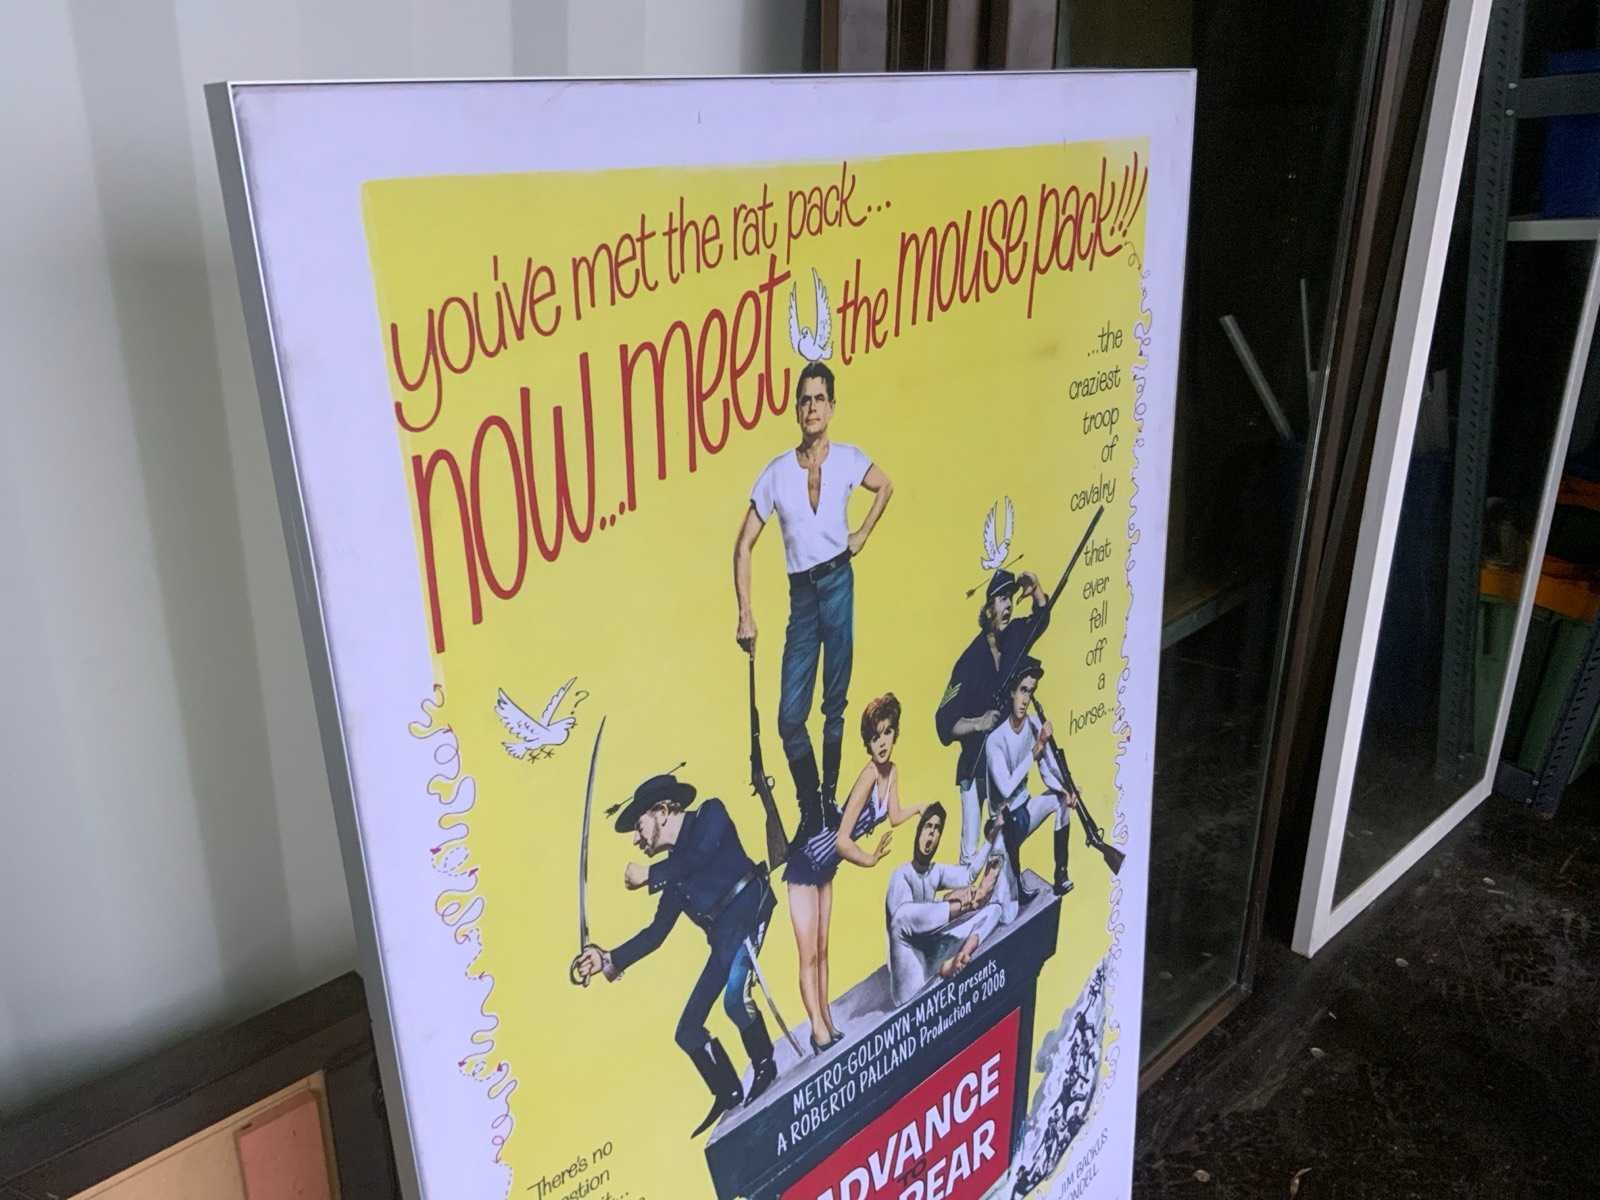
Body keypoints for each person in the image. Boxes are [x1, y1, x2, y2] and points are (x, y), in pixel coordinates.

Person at [733, 362, 894, 845]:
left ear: (832, 406)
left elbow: (885, 485)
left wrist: (862, 534)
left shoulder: (848, 459)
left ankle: (828, 802)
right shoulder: (776, 473)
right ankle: (809, 806)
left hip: (839, 582)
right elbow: (743, 546)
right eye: (804, 399)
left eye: (819, 398)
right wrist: (745, 613)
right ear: (796, 408)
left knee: (834, 705)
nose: (811, 408)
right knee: (789, 717)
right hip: (802, 596)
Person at [572, 772, 779, 1137]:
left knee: (734, 998)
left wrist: (650, 874)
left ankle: (765, 1065)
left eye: (639, 827)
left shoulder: (710, 815)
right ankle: (728, 1091)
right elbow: (655, 934)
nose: (636, 839)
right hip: (723, 943)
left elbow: (699, 856)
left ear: (663, 812)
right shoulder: (675, 876)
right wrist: (608, 958)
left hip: (750, 912)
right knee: (687, 1030)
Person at [784, 693, 921, 1052]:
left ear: (895, 733)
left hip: (826, 867)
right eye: (875, 737)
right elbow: (843, 841)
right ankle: (818, 1030)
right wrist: (870, 858)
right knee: (808, 955)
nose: (882, 742)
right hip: (807, 862)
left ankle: (827, 1022)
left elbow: (893, 815)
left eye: (887, 733)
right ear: (868, 742)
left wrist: (919, 808)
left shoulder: (891, 773)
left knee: (823, 951)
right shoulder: (868, 776)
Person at [934, 567, 1052, 866]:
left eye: (1011, 598)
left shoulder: (1014, 637)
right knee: (971, 851)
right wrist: (979, 722)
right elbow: (943, 723)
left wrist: (1036, 589)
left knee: (1003, 842)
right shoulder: (968, 662)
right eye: (1001, 599)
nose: (1009, 605)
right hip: (975, 766)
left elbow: (1040, 619)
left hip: (1004, 762)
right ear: (988, 609)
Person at [983, 657, 1078, 915]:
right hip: (1003, 828)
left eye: (1031, 692)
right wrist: (1035, 751)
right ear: (1012, 692)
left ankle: (1060, 875)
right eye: (1023, 690)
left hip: (1024, 812)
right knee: (1010, 912)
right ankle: (1013, 887)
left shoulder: (1034, 723)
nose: (1025, 699)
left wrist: (1066, 789)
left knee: (1060, 801)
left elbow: (1048, 767)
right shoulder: (995, 740)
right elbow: (1006, 787)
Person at [884, 803, 1003, 1006]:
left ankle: (963, 953)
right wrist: (957, 903)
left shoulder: (934, 871)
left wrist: (990, 841)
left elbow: (968, 875)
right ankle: (967, 909)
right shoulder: (901, 876)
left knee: (994, 909)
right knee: (901, 918)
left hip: (931, 957)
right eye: (928, 827)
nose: (932, 834)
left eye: (937, 829)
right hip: (909, 978)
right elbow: (909, 925)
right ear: (918, 832)